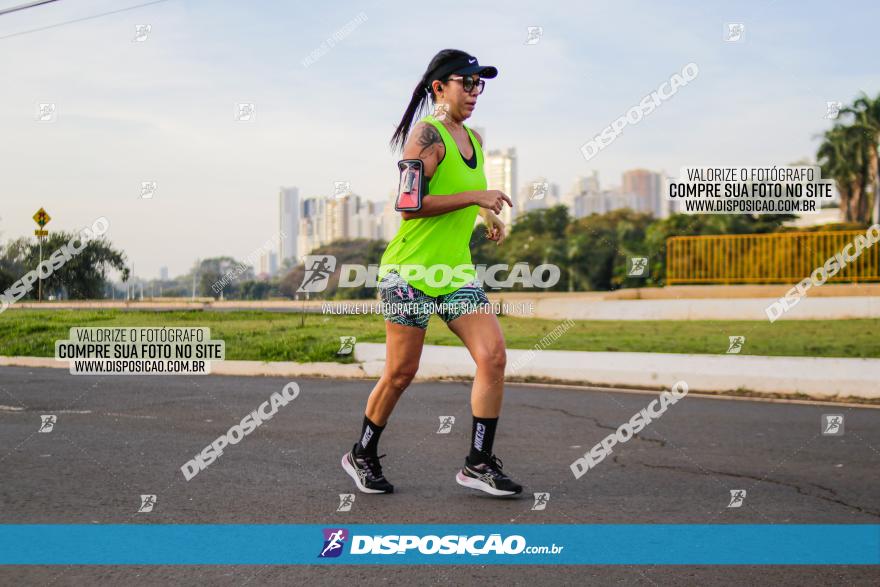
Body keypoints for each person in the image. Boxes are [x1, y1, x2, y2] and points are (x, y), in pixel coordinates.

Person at [341, 48, 522, 497]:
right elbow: (409, 206)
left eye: (480, 83)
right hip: (408, 274)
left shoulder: (475, 141)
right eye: (467, 82)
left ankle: (478, 463)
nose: (475, 91)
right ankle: (361, 453)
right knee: (401, 372)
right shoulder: (427, 135)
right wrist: (477, 198)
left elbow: (462, 195)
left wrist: (487, 217)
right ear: (439, 87)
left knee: (494, 355)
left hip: (454, 274)